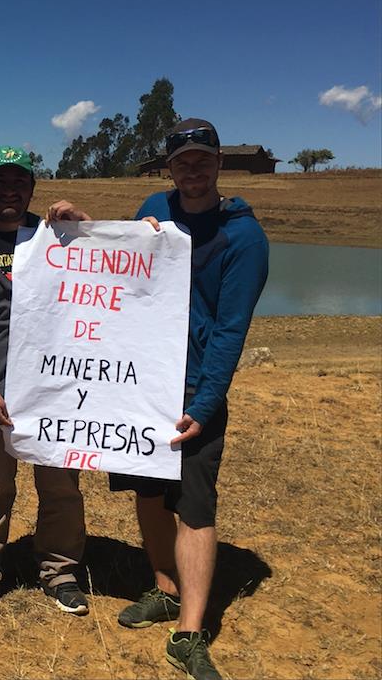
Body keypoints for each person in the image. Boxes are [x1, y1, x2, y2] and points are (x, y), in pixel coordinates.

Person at [109, 119, 268, 680]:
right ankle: (164, 587)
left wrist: (203, 407)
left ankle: (190, 632)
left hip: (194, 389)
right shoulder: (155, 203)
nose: (192, 172)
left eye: (202, 161)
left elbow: (230, 331)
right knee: (150, 493)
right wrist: (122, 233)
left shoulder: (244, 239)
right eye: (182, 163)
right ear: (169, 168)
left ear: (219, 163)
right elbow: (121, 274)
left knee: (195, 507)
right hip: (144, 381)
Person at [0, 145, 92, 618]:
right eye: (0, 183)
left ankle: (60, 571)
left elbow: (105, 272)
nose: (9, 191)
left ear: (31, 189)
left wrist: (82, 224)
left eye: (19, 183)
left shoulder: (57, 238)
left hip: (55, 391)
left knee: (61, 487)